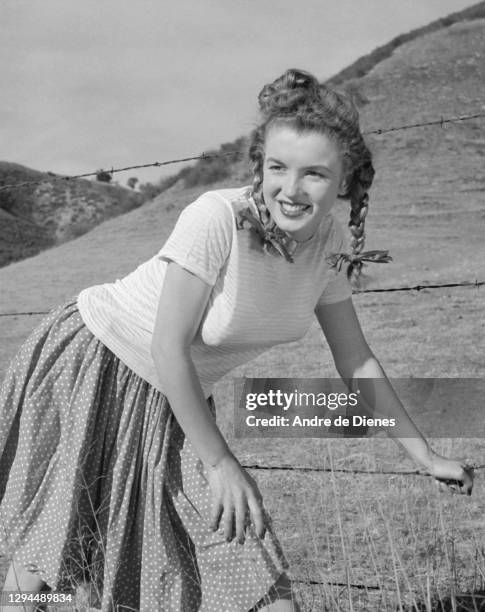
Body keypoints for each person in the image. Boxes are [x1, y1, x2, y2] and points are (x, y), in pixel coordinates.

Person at [0, 68, 474, 612]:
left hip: (171, 398)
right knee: (45, 562)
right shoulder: (216, 218)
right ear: (259, 165)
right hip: (96, 364)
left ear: (345, 179)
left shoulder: (330, 246)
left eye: (314, 174)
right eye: (277, 167)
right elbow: (167, 347)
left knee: (244, 561)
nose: (291, 190)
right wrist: (222, 462)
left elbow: (356, 360)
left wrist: (425, 456)